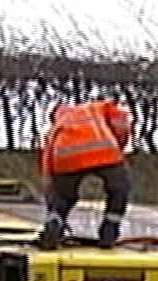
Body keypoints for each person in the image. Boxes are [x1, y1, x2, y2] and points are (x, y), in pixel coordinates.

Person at [37, 98, 134, 250]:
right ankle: (109, 231)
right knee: (119, 190)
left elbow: (47, 153)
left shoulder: (58, 123)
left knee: (62, 197)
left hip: (65, 157)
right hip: (105, 152)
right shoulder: (99, 107)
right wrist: (118, 145)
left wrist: (49, 182)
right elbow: (120, 122)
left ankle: (54, 223)